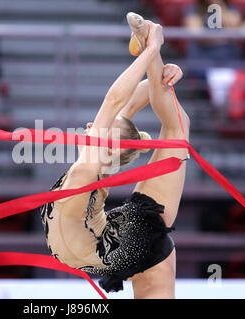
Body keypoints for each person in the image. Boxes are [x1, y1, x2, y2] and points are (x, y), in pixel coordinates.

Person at [40, 13, 189, 298]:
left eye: (100, 128)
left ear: (109, 146)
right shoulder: (96, 161)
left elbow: (115, 100)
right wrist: (159, 66)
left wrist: (157, 56)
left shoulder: (90, 165)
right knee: (177, 128)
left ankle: (150, 36)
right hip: (111, 244)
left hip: (117, 245)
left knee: (177, 129)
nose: (91, 126)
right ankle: (149, 35)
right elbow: (138, 93)